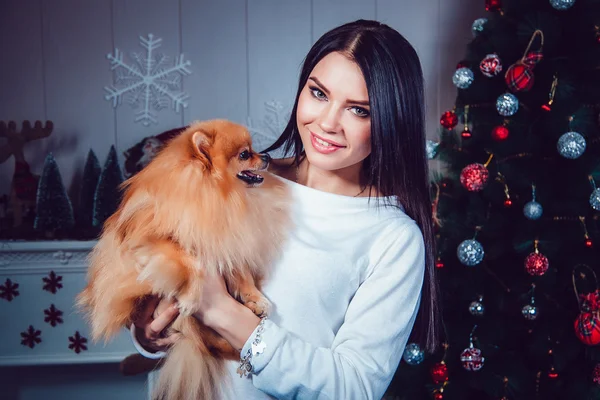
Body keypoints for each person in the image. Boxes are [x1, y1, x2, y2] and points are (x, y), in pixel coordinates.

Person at [130, 19, 442, 399]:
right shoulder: (240, 178)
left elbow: (354, 388)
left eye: (359, 110)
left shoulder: (393, 238)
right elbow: (164, 283)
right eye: (318, 93)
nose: (327, 123)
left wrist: (221, 312)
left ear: (392, 122)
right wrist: (149, 331)